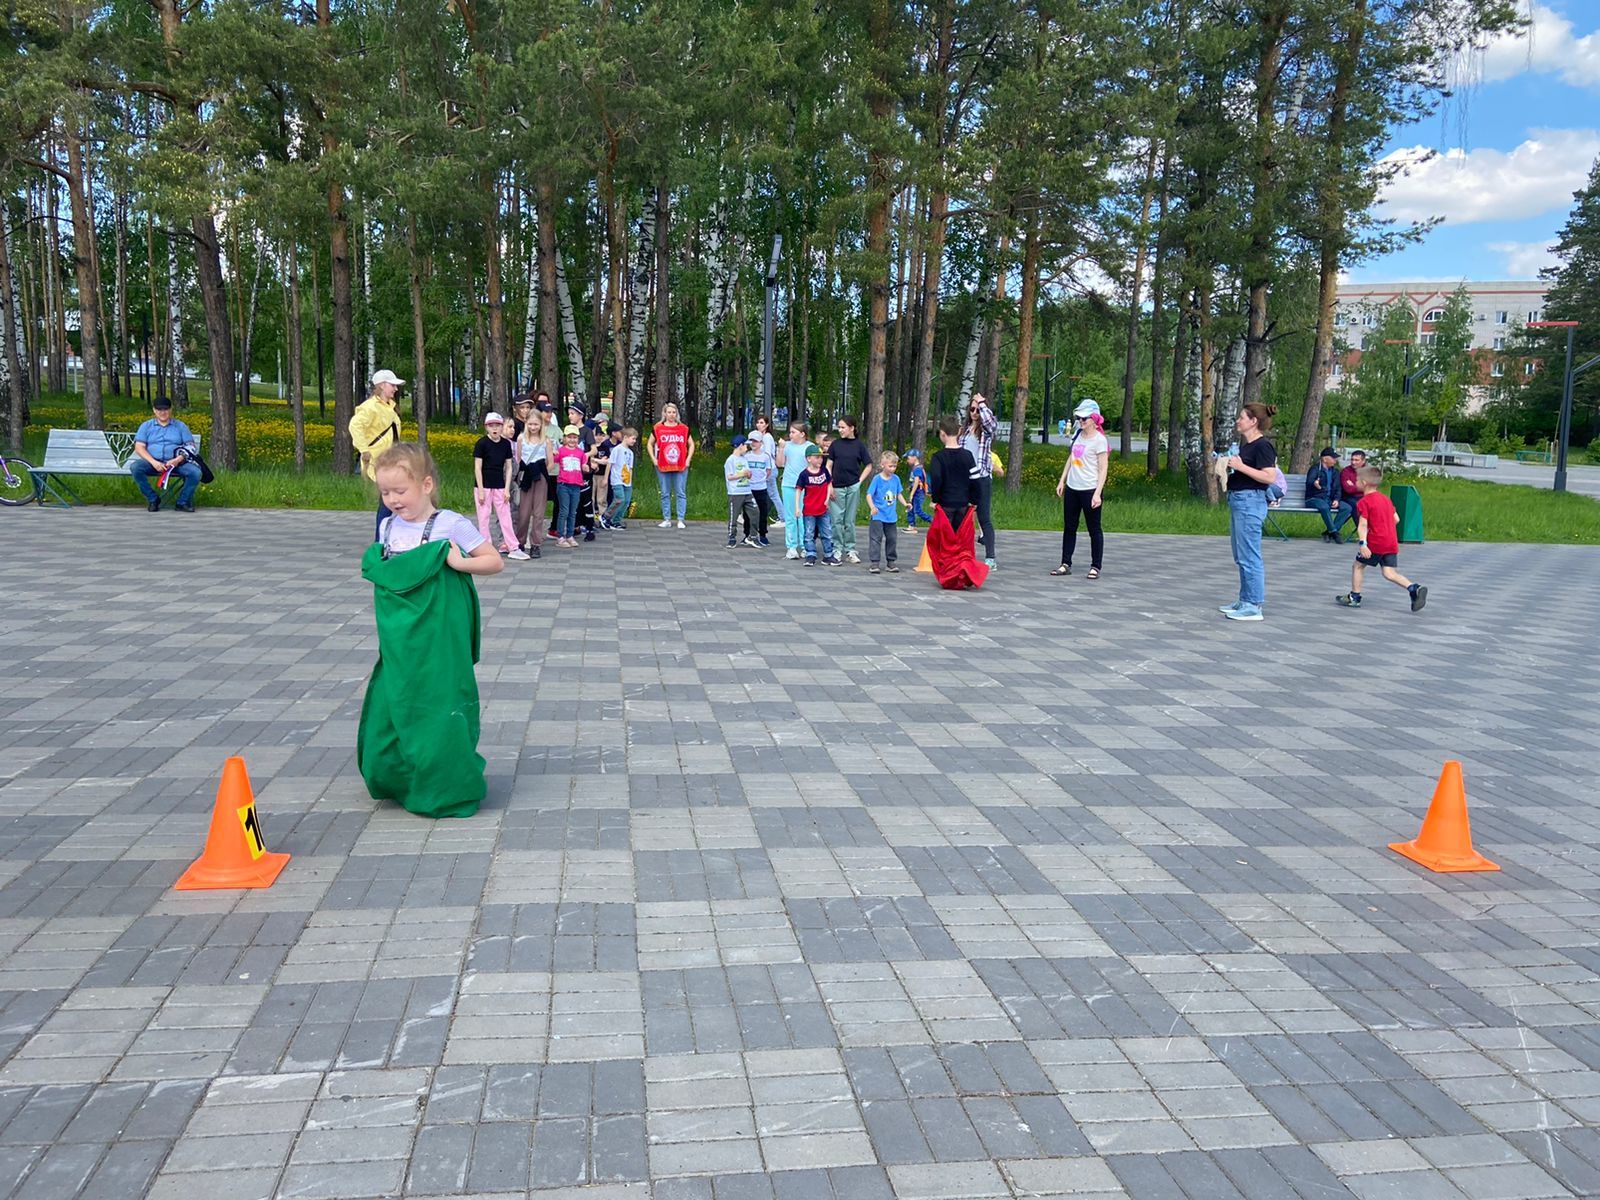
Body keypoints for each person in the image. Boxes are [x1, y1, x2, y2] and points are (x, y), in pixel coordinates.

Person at [359, 442, 502, 820]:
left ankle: (447, 787)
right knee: (398, 702)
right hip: (400, 639)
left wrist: (456, 561)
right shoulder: (387, 526)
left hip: (439, 637)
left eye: (399, 491)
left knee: (439, 704)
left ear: (425, 485)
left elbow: (493, 561)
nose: (392, 500)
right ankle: (403, 778)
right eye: (385, 492)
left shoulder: (449, 524)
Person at [1338, 465, 1427, 612]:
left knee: (1358, 566)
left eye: (1358, 480)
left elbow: (1362, 525)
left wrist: (1363, 544)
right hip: (1390, 541)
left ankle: (1354, 597)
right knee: (1389, 572)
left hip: (1375, 542)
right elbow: (1396, 519)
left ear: (1364, 483)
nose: (1356, 482)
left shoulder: (1364, 502)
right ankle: (1413, 589)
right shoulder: (1385, 499)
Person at [1219, 402, 1278, 622]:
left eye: (1242, 417)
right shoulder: (1246, 446)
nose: (1238, 420)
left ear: (1254, 421)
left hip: (1250, 502)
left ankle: (1254, 605)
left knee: (1250, 555)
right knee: (1240, 554)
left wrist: (1241, 467)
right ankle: (1245, 599)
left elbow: (1269, 476)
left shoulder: (1263, 446)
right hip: (1239, 500)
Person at [927, 416, 989, 589]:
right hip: (963, 505)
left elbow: (937, 479)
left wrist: (935, 499)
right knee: (961, 543)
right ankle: (962, 573)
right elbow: (976, 480)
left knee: (945, 543)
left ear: (942, 434)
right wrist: (974, 501)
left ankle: (949, 575)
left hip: (945, 505)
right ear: (959, 431)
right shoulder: (968, 456)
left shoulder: (938, 457)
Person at [1053, 398, 1109, 578]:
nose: (1081, 421)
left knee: (1094, 528)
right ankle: (1065, 563)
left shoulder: (1099, 441)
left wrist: (1097, 493)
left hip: (1090, 489)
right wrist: (1062, 480)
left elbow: (1103, 468)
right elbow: (1071, 458)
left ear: (1094, 419)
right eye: (1079, 418)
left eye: (1084, 418)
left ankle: (1095, 566)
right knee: (1070, 527)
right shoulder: (1077, 434)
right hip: (1073, 487)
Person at [350, 369, 405, 537]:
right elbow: (355, 426)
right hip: (378, 462)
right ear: (381, 385)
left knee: (390, 501)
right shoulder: (370, 407)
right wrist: (364, 450)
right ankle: (380, 541)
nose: (395, 389)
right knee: (388, 501)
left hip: (390, 461)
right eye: (392, 385)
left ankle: (384, 539)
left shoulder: (389, 407)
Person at [129, 397, 202, 512]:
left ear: (171, 410)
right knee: (136, 467)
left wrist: (177, 460)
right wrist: (154, 462)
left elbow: (191, 447)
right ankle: (153, 499)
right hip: (153, 462)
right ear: (154, 410)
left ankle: (182, 502)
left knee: (195, 473)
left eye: (165, 409)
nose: (162, 412)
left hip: (176, 463)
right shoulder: (146, 426)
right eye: (159, 409)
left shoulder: (180, 426)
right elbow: (139, 447)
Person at [472, 413, 525, 559]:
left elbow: (508, 467)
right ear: (486, 427)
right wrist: (481, 490)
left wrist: (507, 488)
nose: (494, 429)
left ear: (501, 427)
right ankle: (486, 548)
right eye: (491, 426)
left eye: (497, 425)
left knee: (505, 516)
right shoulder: (481, 443)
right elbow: (477, 468)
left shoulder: (505, 444)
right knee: (484, 518)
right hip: (483, 486)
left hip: (500, 485)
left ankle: (513, 547)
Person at [826, 414, 875, 564]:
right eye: (839, 427)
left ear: (852, 428)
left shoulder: (859, 445)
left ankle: (850, 549)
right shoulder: (835, 445)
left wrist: (859, 482)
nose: (840, 430)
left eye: (843, 427)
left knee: (850, 520)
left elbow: (868, 465)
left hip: (852, 486)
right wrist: (830, 485)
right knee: (836, 520)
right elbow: (829, 465)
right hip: (836, 487)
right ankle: (837, 548)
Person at [961, 392, 999, 568]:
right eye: (972, 409)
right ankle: (962, 554)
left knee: (984, 517)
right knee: (962, 517)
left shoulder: (985, 431)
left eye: (978, 409)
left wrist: (982, 402)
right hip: (966, 479)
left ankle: (990, 558)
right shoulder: (965, 431)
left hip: (982, 478)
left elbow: (990, 423)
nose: (975, 412)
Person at [513, 406, 552, 558]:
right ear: (526, 423)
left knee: (538, 512)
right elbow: (518, 458)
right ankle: (520, 541)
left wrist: (542, 472)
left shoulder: (546, 441)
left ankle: (535, 543)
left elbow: (551, 461)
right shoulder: (521, 438)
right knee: (523, 511)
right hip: (526, 476)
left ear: (541, 424)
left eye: (536, 424)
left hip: (540, 477)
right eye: (530, 424)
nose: (533, 427)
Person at [649, 401, 695, 528]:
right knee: (665, 492)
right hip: (663, 464)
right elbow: (649, 443)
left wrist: (688, 459)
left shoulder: (683, 429)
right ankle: (667, 518)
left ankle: (680, 519)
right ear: (665, 413)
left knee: (680, 491)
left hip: (680, 465)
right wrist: (654, 459)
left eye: (674, 412)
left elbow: (691, 444)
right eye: (669, 412)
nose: (671, 414)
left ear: (677, 413)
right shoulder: (658, 428)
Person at [796, 446, 839, 566]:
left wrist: (827, 500)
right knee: (809, 533)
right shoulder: (804, 475)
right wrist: (797, 507)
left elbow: (829, 484)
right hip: (809, 510)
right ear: (809, 459)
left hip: (823, 509)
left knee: (827, 532)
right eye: (817, 457)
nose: (820, 460)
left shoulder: (824, 471)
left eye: (821, 457)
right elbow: (798, 490)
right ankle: (810, 554)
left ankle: (828, 555)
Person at [778, 422, 814, 559]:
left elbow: (815, 465)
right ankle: (791, 547)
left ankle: (805, 546)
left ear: (802, 434)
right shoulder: (787, 446)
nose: (790, 435)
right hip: (788, 484)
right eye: (790, 432)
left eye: (794, 432)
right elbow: (780, 463)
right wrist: (781, 449)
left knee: (804, 516)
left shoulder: (810, 447)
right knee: (790, 516)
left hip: (806, 486)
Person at [865, 452, 905, 574]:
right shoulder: (877, 479)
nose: (892, 469)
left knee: (892, 538)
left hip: (891, 516)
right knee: (876, 538)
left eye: (894, 466)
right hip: (878, 514)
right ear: (883, 465)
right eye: (890, 466)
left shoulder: (896, 479)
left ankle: (891, 562)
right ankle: (875, 562)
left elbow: (898, 494)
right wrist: (872, 507)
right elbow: (869, 495)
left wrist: (905, 504)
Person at [1305, 448, 1354, 544]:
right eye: (1333, 458)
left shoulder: (1335, 471)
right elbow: (1310, 482)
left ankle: (1329, 532)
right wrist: (1315, 484)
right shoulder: (1315, 469)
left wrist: (1336, 499)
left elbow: (1338, 488)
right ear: (1324, 459)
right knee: (1324, 507)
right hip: (1314, 498)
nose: (1335, 460)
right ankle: (1334, 533)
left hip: (1329, 499)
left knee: (1347, 508)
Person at [551, 425, 588, 547]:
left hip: (576, 485)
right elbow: (553, 461)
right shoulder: (561, 451)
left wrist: (586, 467)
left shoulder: (580, 453)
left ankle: (570, 535)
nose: (572, 440)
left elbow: (584, 465)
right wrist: (552, 453)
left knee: (573, 512)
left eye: (575, 437)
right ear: (565, 438)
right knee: (564, 511)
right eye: (570, 437)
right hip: (563, 485)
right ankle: (560, 536)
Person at [722, 436, 760, 548]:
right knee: (733, 516)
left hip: (747, 490)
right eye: (745, 445)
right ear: (740, 446)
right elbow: (729, 477)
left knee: (755, 512)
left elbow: (747, 473)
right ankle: (732, 537)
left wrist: (748, 474)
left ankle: (752, 536)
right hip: (735, 492)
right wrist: (742, 474)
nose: (747, 448)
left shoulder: (744, 459)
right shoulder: (730, 460)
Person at [753, 413, 785, 525]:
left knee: (772, 494)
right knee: (770, 494)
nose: (759, 425)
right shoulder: (761, 437)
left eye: (761, 423)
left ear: (766, 425)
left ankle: (782, 517)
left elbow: (766, 454)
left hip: (768, 469)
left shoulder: (767, 437)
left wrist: (766, 470)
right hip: (766, 468)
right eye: (757, 422)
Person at [603, 427, 638, 529]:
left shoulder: (630, 453)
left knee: (626, 501)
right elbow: (610, 463)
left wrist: (630, 481)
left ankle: (616, 520)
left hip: (626, 480)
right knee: (619, 499)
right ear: (626, 437)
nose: (634, 441)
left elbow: (630, 468)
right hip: (617, 479)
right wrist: (606, 478)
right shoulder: (617, 449)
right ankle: (606, 516)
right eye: (633, 438)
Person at [744, 429, 775, 545]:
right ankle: (747, 534)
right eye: (751, 441)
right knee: (748, 513)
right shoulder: (747, 456)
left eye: (755, 441)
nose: (753, 443)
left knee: (763, 512)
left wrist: (761, 480)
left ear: (761, 443)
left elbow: (768, 470)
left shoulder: (765, 457)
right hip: (749, 488)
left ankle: (762, 534)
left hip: (761, 488)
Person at [1339, 450, 1368, 530]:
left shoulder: (1368, 472)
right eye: (1352, 459)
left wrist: (1354, 485)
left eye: (1356, 460)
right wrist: (1361, 486)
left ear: (1363, 461)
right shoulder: (1346, 471)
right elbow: (1348, 489)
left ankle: (1379, 531)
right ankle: (1363, 531)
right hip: (1348, 497)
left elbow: (1370, 488)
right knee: (1357, 505)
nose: (1353, 462)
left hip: (1365, 497)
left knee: (1379, 505)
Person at [904, 448, 929, 532]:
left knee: (918, 510)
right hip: (916, 492)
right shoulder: (916, 468)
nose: (907, 460)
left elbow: (917, 481)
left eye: (908, 458)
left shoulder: (917, 469)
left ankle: (933, 522)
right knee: (910, 508)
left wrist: (911, 493)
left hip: (918, 493)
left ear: (914, 457)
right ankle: (911, 525)